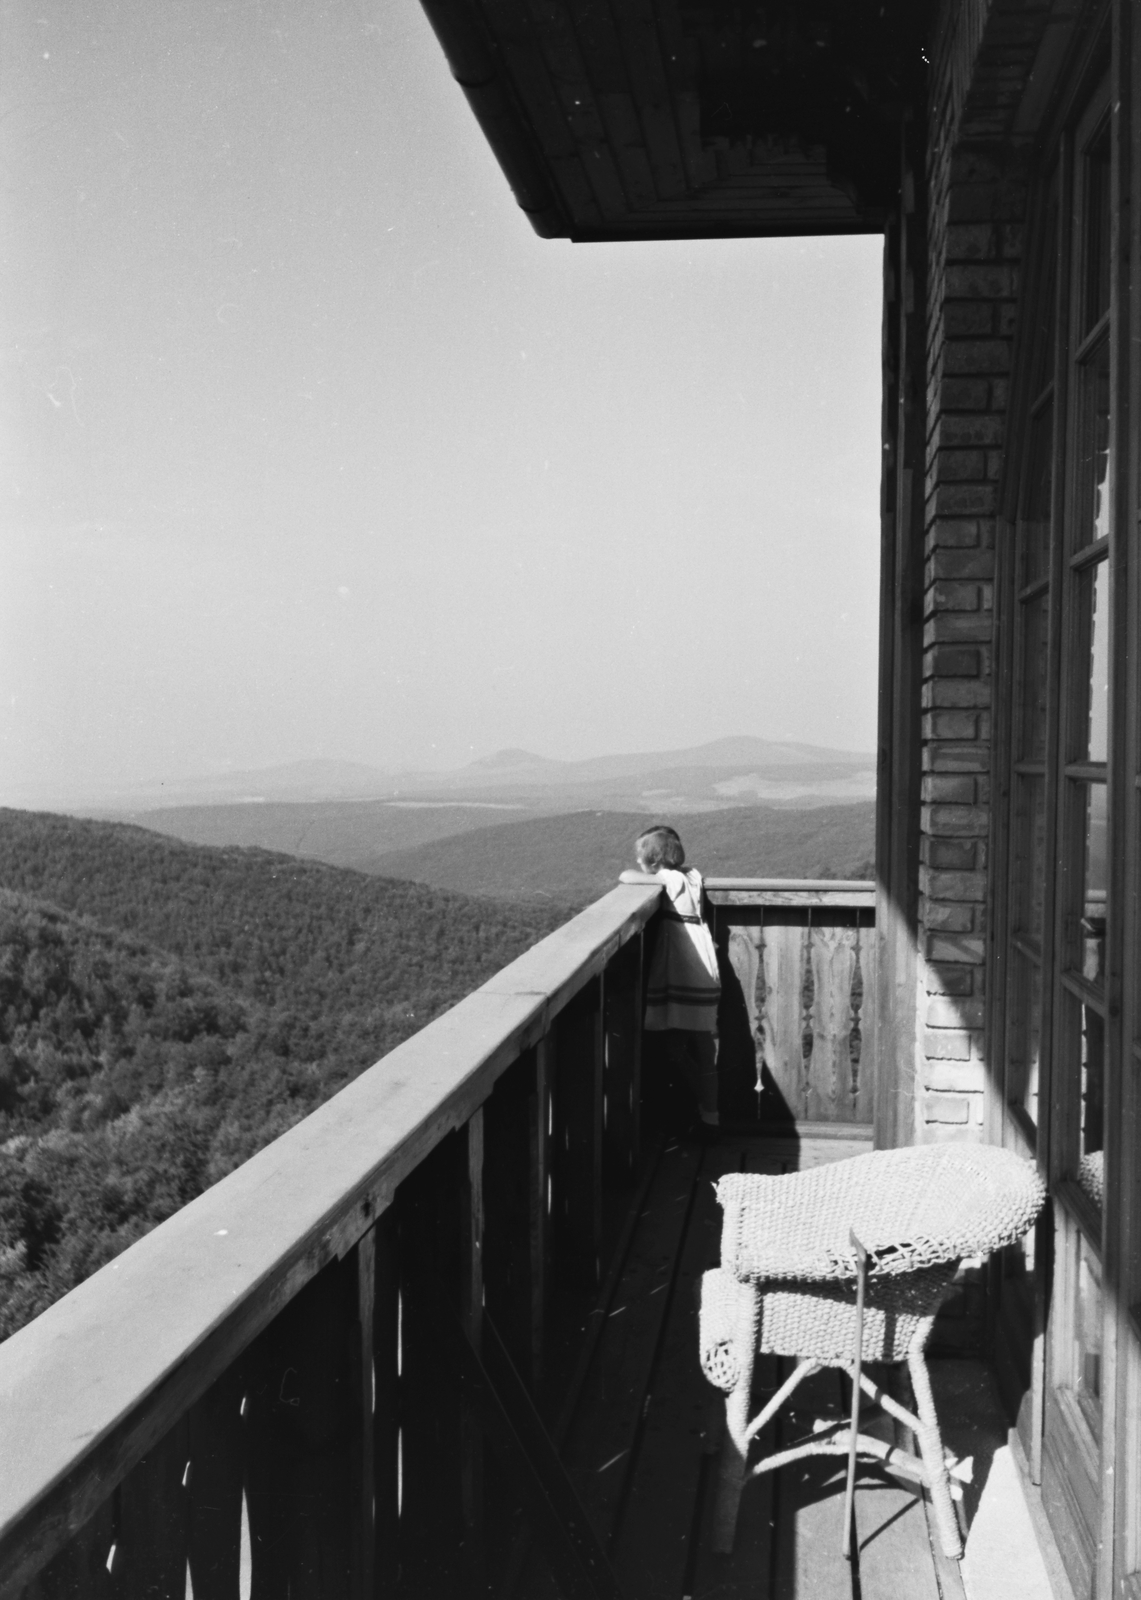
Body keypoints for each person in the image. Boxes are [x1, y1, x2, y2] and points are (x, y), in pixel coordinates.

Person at [619, 825, 721, 1134]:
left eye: (641, 855)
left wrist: (631, 874)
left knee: (681, 1046)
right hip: (701, 958)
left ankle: (708, 1117)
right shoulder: (691, 874)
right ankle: (708, 1116)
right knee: (698, 1047)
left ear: (653, 857)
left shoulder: (672, 878)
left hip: (686, 965)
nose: (638, 861)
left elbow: (628, 878)